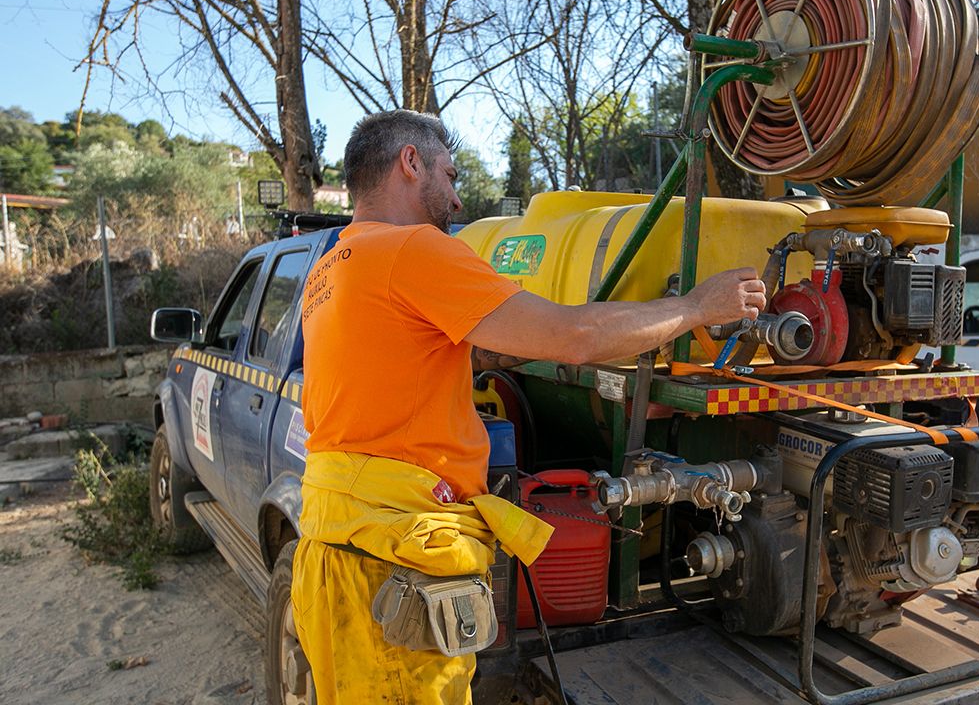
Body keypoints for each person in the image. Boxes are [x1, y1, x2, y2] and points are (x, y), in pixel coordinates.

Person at [292, 109, 766, 704]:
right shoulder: (414, 250)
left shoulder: (332, 266)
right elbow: (576, 338)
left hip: (334, 548)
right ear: (409, 164)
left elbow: (394, 369)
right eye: (450, 173)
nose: (459, 201)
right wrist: (698, 306)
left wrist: (490, 355)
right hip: (392, 560)